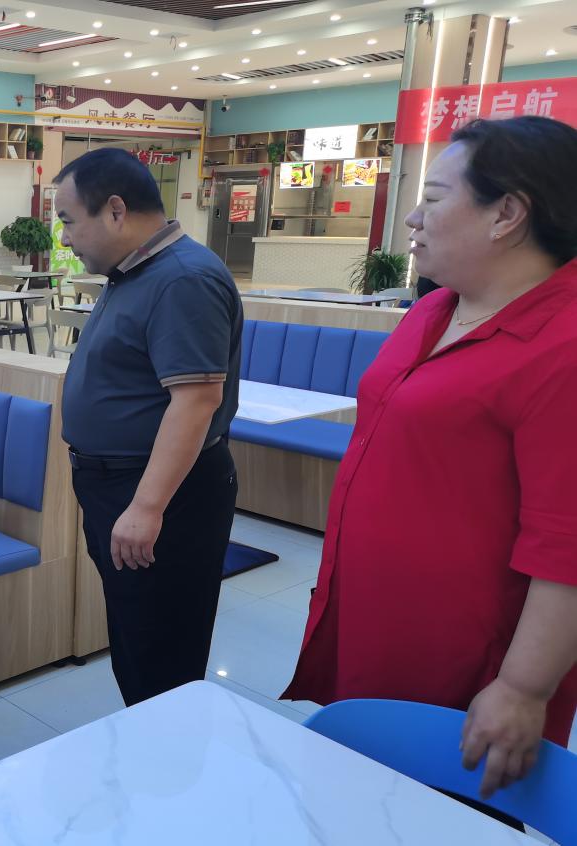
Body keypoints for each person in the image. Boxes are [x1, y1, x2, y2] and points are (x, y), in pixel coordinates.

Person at [284, 116, 577, 802]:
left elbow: (566, 546)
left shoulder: (562, 346)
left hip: (470, 652)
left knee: (430, 812)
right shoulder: (436, 309)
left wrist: (522, 687)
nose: (413, 219)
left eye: (435, 198)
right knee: (356, 794)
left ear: (507, 214)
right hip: (378, 615)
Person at [53, 147, 241, 707]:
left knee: (162, 647)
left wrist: (146, 506)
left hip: (159, 492)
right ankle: (147, 737)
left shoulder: (182, 278)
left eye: (68, 220)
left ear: (115, 210)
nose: (65, 237)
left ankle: (169, 749)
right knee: (136, 632)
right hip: (119, 484)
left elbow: (197, 400)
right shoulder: (134, 271)